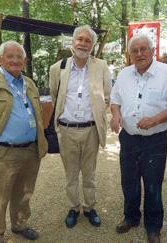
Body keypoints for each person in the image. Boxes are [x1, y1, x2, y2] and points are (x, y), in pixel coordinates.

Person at [0, 40, 48, 243]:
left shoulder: (29, 83)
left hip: (30, 151)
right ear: (1, 59)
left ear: (24, 60)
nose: (15, 60)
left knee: (24, 193)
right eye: (10, 56)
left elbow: (37, 114)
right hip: (3, 152)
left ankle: (20, 224)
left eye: (18, 57)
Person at [110, 33, 167, 243]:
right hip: (129, 138)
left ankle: (153, 227)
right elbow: (115, 100)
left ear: (153, 51)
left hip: (155, 139)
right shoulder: (124, 74)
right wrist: (115, 116)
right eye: (135, 50)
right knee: (129, 181)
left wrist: (154, 120)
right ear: (130, 54)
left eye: (144, 49)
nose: (140, 54)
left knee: (153, 183)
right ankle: (131, 217)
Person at [49, 25, 111, 229]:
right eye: (80, 39)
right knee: (71, 174)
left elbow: (107, 95)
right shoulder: (58, 68)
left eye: (88, 41)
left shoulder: (101, 66)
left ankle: (89, 207)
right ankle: (74, 207)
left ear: (92, 46)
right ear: (73, 42)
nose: (83, 44)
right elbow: (55, 96)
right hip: (67, 130)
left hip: (91, 129)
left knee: (90, 174)